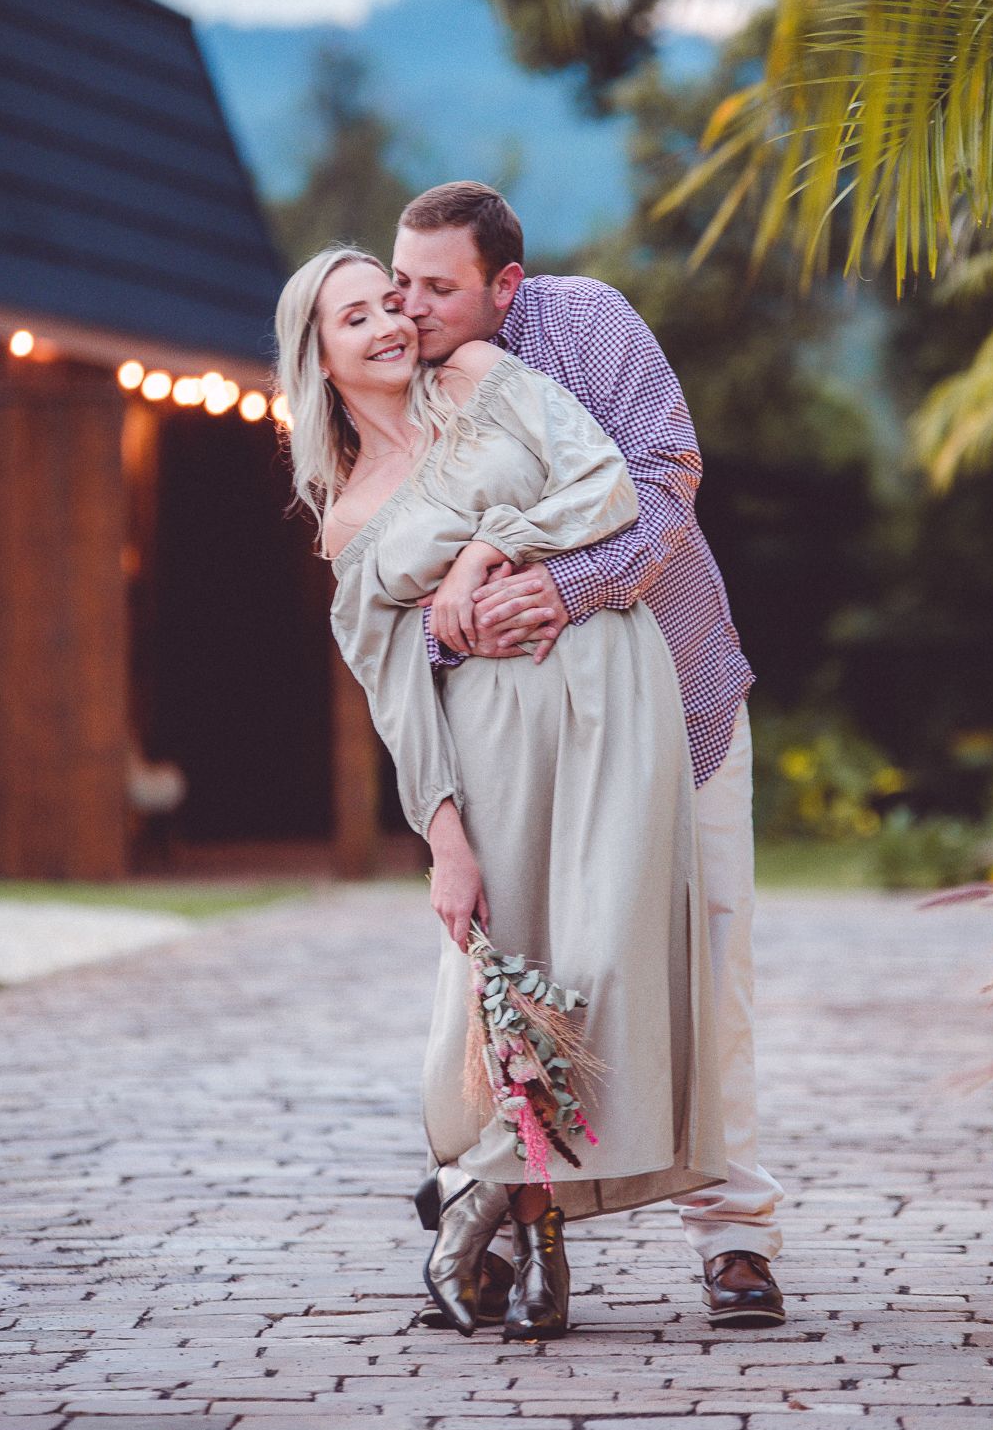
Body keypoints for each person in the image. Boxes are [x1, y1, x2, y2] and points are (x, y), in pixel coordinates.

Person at [274, 246, 728, 1342]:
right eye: (357, 316)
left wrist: (487, 548)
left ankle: (470, 1197)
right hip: (487, 751)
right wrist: (443, 840)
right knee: (517, 1000)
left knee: (607, 961)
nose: (390, 322)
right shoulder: (346, 521)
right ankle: (540, 1251)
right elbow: (396, 695)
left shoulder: (482, 377)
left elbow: (606, 484)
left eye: (393, 300)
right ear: (320, 358)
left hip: (616, 698)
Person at [391, 181, 786, 1329]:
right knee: (507, 974)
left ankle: (734, 1239)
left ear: (505, 284)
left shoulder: (586, 326)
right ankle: (494, 1226)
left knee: (710, 965)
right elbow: (383, 591)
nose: (410, 309)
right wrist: (454, 619)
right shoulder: (392, 387)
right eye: (400, 282)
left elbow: (665, 481)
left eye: (438, 288)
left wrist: (555, 593)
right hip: (515, 746)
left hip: (678, 698)